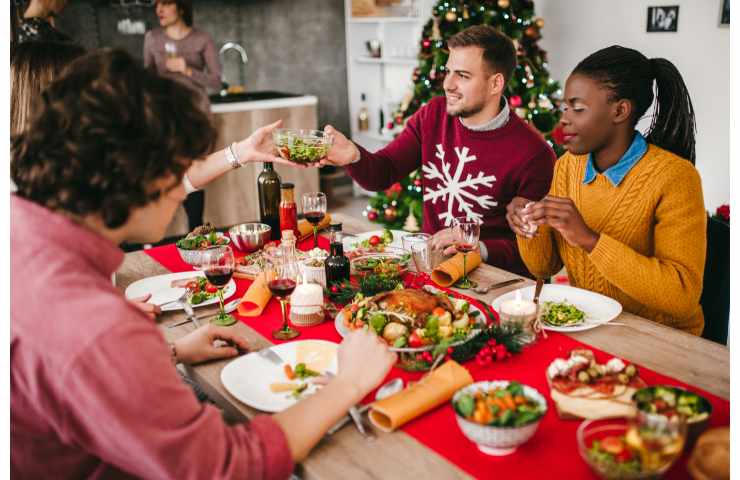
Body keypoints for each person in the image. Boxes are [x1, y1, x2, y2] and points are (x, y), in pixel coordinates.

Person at [11, 48, 397, 478]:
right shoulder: (95, 326)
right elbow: (229, 466)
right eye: (177, 170)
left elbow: (75, 378)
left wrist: (168, 350)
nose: (182, 189)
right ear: (133, 174)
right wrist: (349, 384)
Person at [9, 40, 293, 320]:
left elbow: (172, 182)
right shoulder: (27, 210)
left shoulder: (62, 172)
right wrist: (105, 312)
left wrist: (242, 151)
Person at [321, 25, 556, 276]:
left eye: (463, 76)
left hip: (494, 278)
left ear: (495, 83)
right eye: (448, 72)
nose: (448, 84)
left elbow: (539, 255)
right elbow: (383, 172)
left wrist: (478, 247)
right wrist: (352, 155)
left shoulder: (535, 154)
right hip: (434, 267)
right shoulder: (433, 114)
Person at [506, 45, 706, 335]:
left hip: (660, 339)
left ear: (620, 110)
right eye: (564, 107)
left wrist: (589, 239)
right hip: (591, 327)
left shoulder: (675, 177)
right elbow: (543, 267)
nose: (564, 120)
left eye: (578, 108)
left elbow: (682, 296)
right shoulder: (567, 167)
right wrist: (529, 227)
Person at [144, 0, 222, 230]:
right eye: (156, 4)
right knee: (166, 172)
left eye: (166, 3)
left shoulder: (202, 39)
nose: (159, 9)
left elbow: (216, 81)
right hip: (165, 115)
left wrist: (186, 69)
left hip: (195, 116)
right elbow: (145, 79)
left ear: (181, 7)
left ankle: (195, 229)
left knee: (191, 171)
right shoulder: (152, 38)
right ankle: (155, 233)